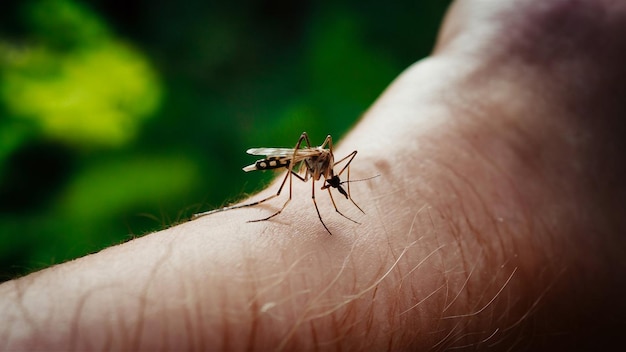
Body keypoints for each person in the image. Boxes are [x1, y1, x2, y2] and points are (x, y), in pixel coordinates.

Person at [2, 0, 625, 349]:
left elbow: (341, 167)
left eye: (334, 184)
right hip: (292, 160)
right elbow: (321, 166)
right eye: (333, 184)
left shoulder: (335, 167)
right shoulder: (312, 164)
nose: (335, 182)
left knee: (330, 163)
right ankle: (281, 196)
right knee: (306, 171)